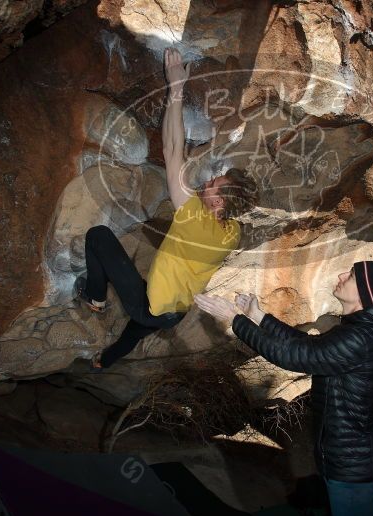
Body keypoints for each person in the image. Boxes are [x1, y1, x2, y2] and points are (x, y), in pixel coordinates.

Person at [77, 48, 257, 370]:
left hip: (152, 304)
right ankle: (106, 360)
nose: (210, 179)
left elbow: (171, 150)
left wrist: (176, 89)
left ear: (218, 202)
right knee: (138, 330)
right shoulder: (232, 232)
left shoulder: (193, 218)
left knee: (98, 236)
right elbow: (180, 160)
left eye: (216, 183)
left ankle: (94, 298)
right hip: (175, 311)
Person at [195, 261, 373, 516]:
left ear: (365, 293)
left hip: (352, 469)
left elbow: (295, 356)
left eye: (350, 275)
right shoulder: (360, 331)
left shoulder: (359, 338)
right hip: (351, 462)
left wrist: (235, 320)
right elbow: (307, 344)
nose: (341, 275)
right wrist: (259, 317)